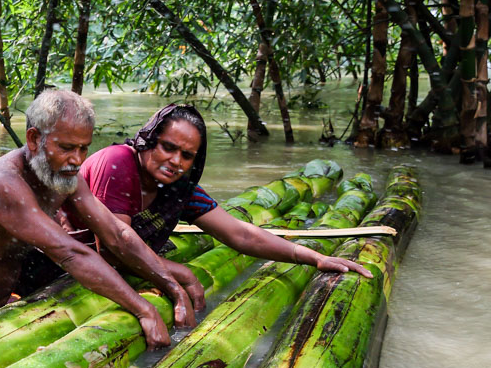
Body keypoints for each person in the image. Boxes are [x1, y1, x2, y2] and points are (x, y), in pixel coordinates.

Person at [0, 90, 203, 348]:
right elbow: (71, 253)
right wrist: (143, 310)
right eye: (66, 147)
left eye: (83, 148)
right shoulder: (0, 182)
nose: (77, 159)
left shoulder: (65, 174)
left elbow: (116, 232)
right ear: (34, 139)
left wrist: (172, 287)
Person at [76, 103, 371, 276]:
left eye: (187, 156)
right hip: (75, 267)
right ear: (150, 139)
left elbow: (240, 234)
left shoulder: (179, 187)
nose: (175, 162)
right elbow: (114, 251)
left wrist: (312, 257)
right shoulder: (117, 163)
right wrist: (182, 276)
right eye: (168, 147)